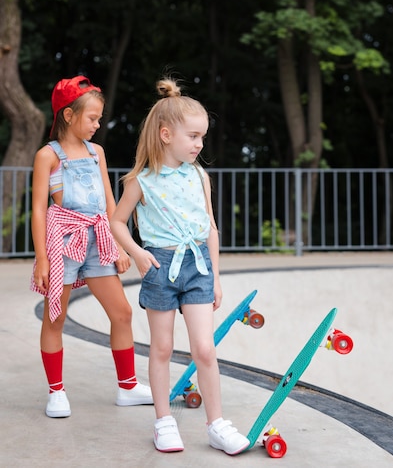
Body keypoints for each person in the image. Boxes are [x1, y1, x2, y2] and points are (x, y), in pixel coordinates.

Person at [110, 77, 250, 455]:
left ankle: (217, 424)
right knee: (163, 348)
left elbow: (211, 229)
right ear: (166, 134)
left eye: (202, 137)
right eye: (193, 136)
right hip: (161, 267)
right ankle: (163, 422)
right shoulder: (141, 181)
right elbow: (116, 222)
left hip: (198, 267)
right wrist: (137, 253)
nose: (199, 145)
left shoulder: (199, 175)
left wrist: (216, 277)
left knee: (205, 349)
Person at [30, 75, 153, 418]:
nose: (98, 125)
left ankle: (127, 386)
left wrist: (120, 246)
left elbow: (109, 204)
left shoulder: (96, 152)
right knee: (55, 318)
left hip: (98, 241)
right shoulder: (47, 155)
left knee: (122, 313)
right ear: (68, 115)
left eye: (99, 118)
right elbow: (40, 209)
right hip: (63, 242)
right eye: (92, 118)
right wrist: (42, 258)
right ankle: (56, 392)